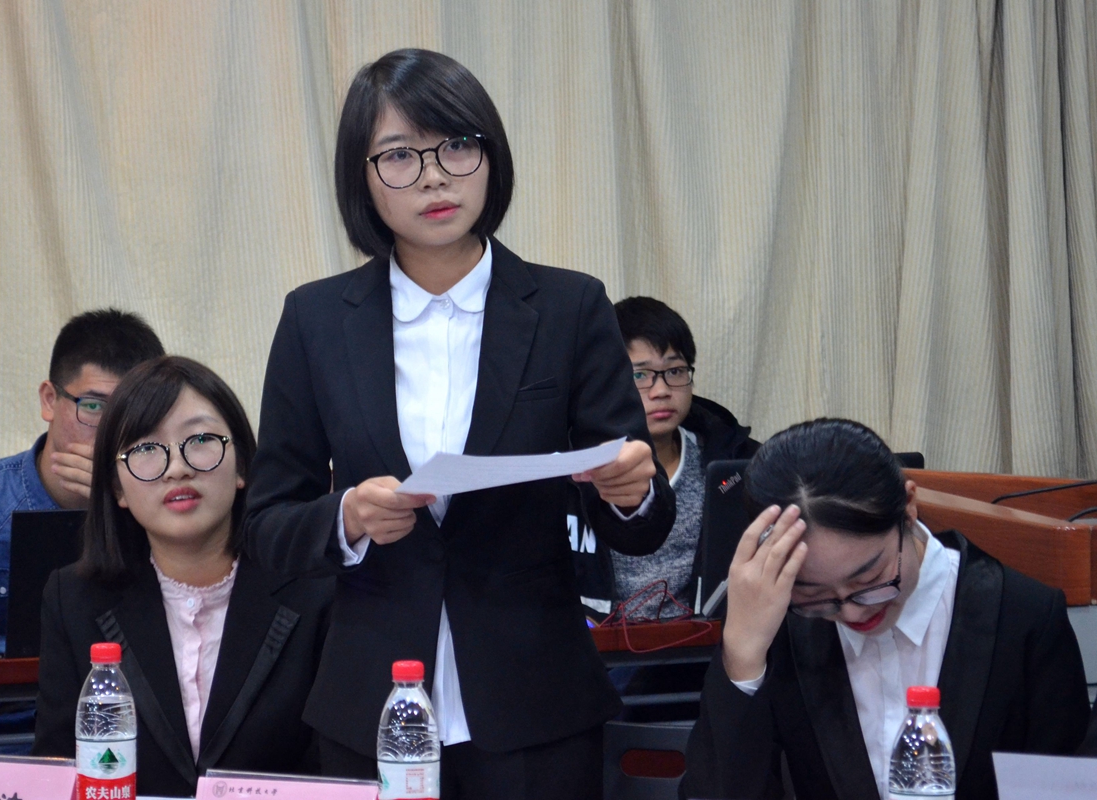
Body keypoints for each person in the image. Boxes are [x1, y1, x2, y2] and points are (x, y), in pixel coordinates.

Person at [245, 48, 675, 800]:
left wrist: (631, 491)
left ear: (490, 156)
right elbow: (267, 524)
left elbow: (641, 525)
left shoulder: (569, 307)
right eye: (399, 155)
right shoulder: (315, 320)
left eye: (457, 146)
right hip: (369, 699)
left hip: (534, 701)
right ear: (361, 177)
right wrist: (348, 518)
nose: (434, 177)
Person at [680, 418, 1091, 800]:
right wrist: (743, 657)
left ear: (908, 508)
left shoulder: (1023, 616)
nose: (852, 613)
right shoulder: (777, 623)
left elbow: (1062, 789)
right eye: (817, 596)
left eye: (870, 579)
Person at [33, 357, 329, 797]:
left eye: (201, 440)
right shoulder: (74, 599)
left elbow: (335, 770)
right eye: (146, 449)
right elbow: (57, 772)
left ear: (243, 466)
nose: (177, 468)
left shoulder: (315, 590)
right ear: (117, 488)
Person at [0, 309, 164, 665]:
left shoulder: (167, 504)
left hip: (122, 695)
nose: (112, 430)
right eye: (93, 406)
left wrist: (127, 508)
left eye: (132, 411)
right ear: (49, 400)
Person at [570, 296, 758, 618]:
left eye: (674, 370)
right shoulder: (574, 464)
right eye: (640, 375)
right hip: (597, 639)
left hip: (701, 637)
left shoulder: (731, 460)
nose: (661, 391)